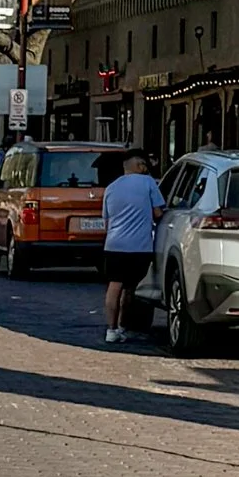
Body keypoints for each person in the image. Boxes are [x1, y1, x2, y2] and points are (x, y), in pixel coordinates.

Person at [99, 145, 164, 342]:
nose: (146, 167)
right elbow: (158, 213)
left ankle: (110, 330)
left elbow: (107, 222)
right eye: (144, 164)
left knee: (114, 286)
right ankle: (122, 326)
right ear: (138, 165)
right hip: (140, 247)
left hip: (114, 245)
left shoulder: (111, 187)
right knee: (130, 289)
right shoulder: (148, 183)